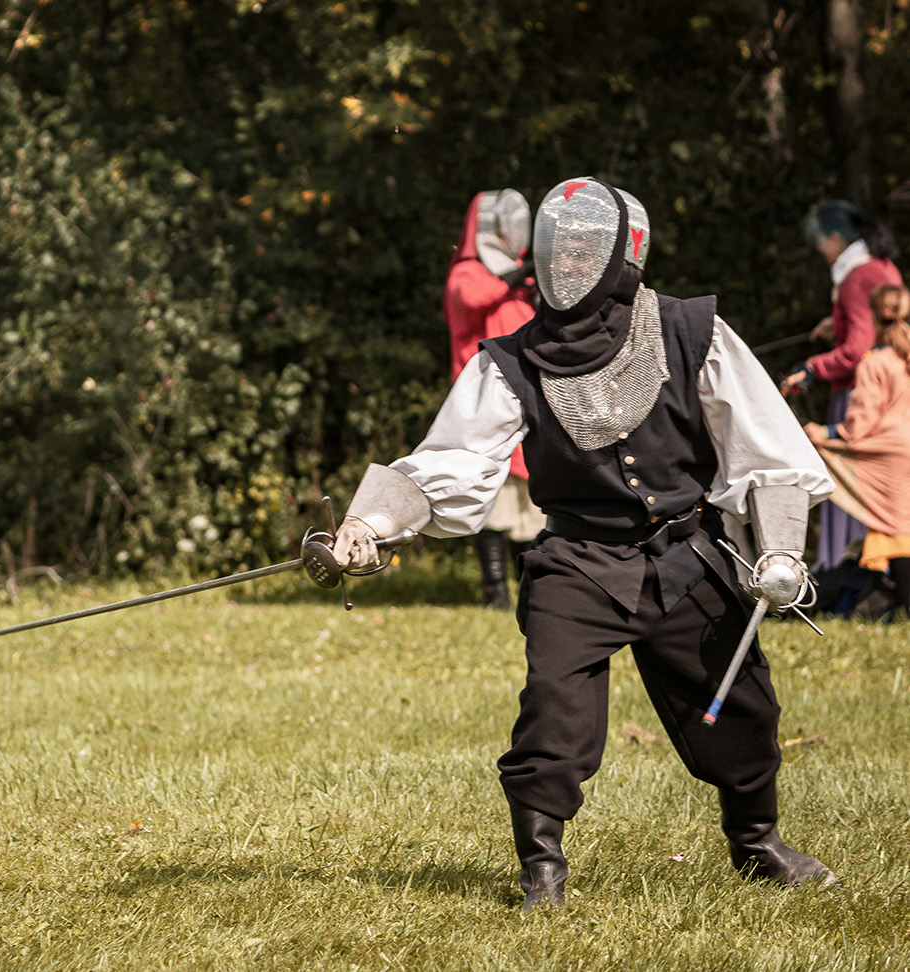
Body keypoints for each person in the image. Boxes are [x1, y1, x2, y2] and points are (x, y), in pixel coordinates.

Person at [331, 177, 837, 909]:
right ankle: (541, 873)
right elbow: (452, 460)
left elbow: (762, 443)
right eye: (557, 247)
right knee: (550, 714)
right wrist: (366, 525)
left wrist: (779, 549)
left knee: (743, 712)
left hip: (685, 557)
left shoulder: (691, 330)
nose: (567, 261)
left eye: (583, 247)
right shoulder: (510, 358)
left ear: (622, 254)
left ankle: (757, 844)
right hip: (576, 563)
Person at [781, 201, 903, 572]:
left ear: (834, 237)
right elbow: (876, 326)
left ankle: (842, 569)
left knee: (849, 486)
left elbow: (856, 351)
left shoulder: (854, 277)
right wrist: (835, 323)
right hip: (898, 397)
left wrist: (811, 368)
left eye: (821, 241)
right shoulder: (884, 267)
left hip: (858, 395)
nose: (820, 250)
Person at [443, 189, 545, 608]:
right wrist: (514, 276)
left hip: (530, 400)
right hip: (487, 405)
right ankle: (495, 593)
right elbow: (473, 298)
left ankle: (530, 590)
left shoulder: (522, 284)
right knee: (495, 502)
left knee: (530, 508)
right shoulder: (467, 273)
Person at [805, 283, 910, 619]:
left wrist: (821, 432)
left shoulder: (874, 363)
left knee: (893, 531)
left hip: (887, 459)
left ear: (872, 317)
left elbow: (858, 428)